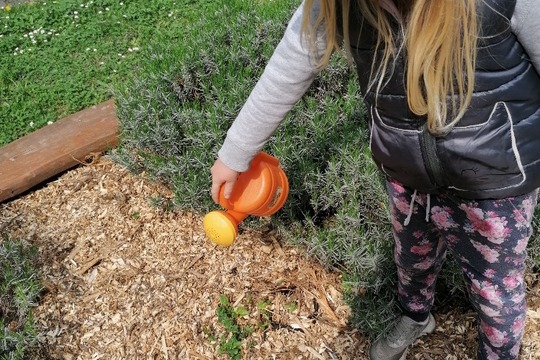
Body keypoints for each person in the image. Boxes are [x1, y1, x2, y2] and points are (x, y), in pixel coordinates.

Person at [209, 0, 540, 359]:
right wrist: (236, 152)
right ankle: (415, 317)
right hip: (405, 168)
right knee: (412, 257)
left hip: (495, 179)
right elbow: (294, 58)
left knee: (495, 289)